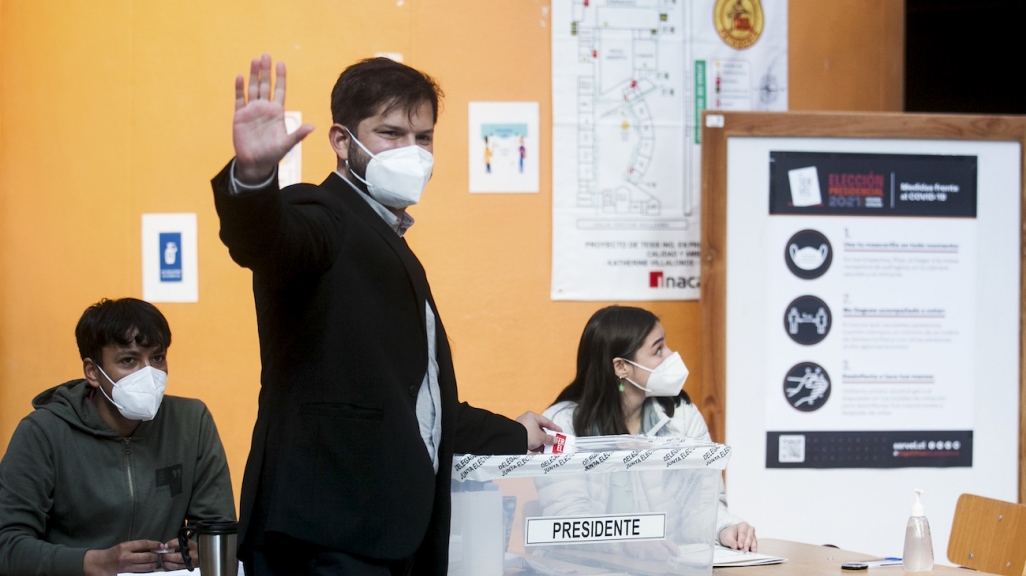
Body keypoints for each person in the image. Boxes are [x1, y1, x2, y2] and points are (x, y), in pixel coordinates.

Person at [211, 54, 558, 576]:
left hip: (386, 540)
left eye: (424, 137)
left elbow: (413, 407)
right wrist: (254, 178)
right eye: (391, 133)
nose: (412, 152)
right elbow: (266, 240)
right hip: (324, 537)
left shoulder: (387, 238)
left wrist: (514, 432)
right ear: (341, 140)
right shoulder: (322, 214)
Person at [0, 298, 236, 576]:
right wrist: (94, 563)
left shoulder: (192, 422)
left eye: (157, 358)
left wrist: (201, 549)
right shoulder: (42, 432)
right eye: (128, 360)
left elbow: (217, 526)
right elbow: (8, 545)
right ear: (93, 372)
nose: (148, 374)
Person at [543, 305, 757, 552]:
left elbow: (701, 506)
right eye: (658, 350)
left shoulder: (681, 415)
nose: (671, 355)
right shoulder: (560, 426)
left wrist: (725, 529)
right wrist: (626, 542)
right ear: (621, 367)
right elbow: (567, 520)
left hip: (664, 566)